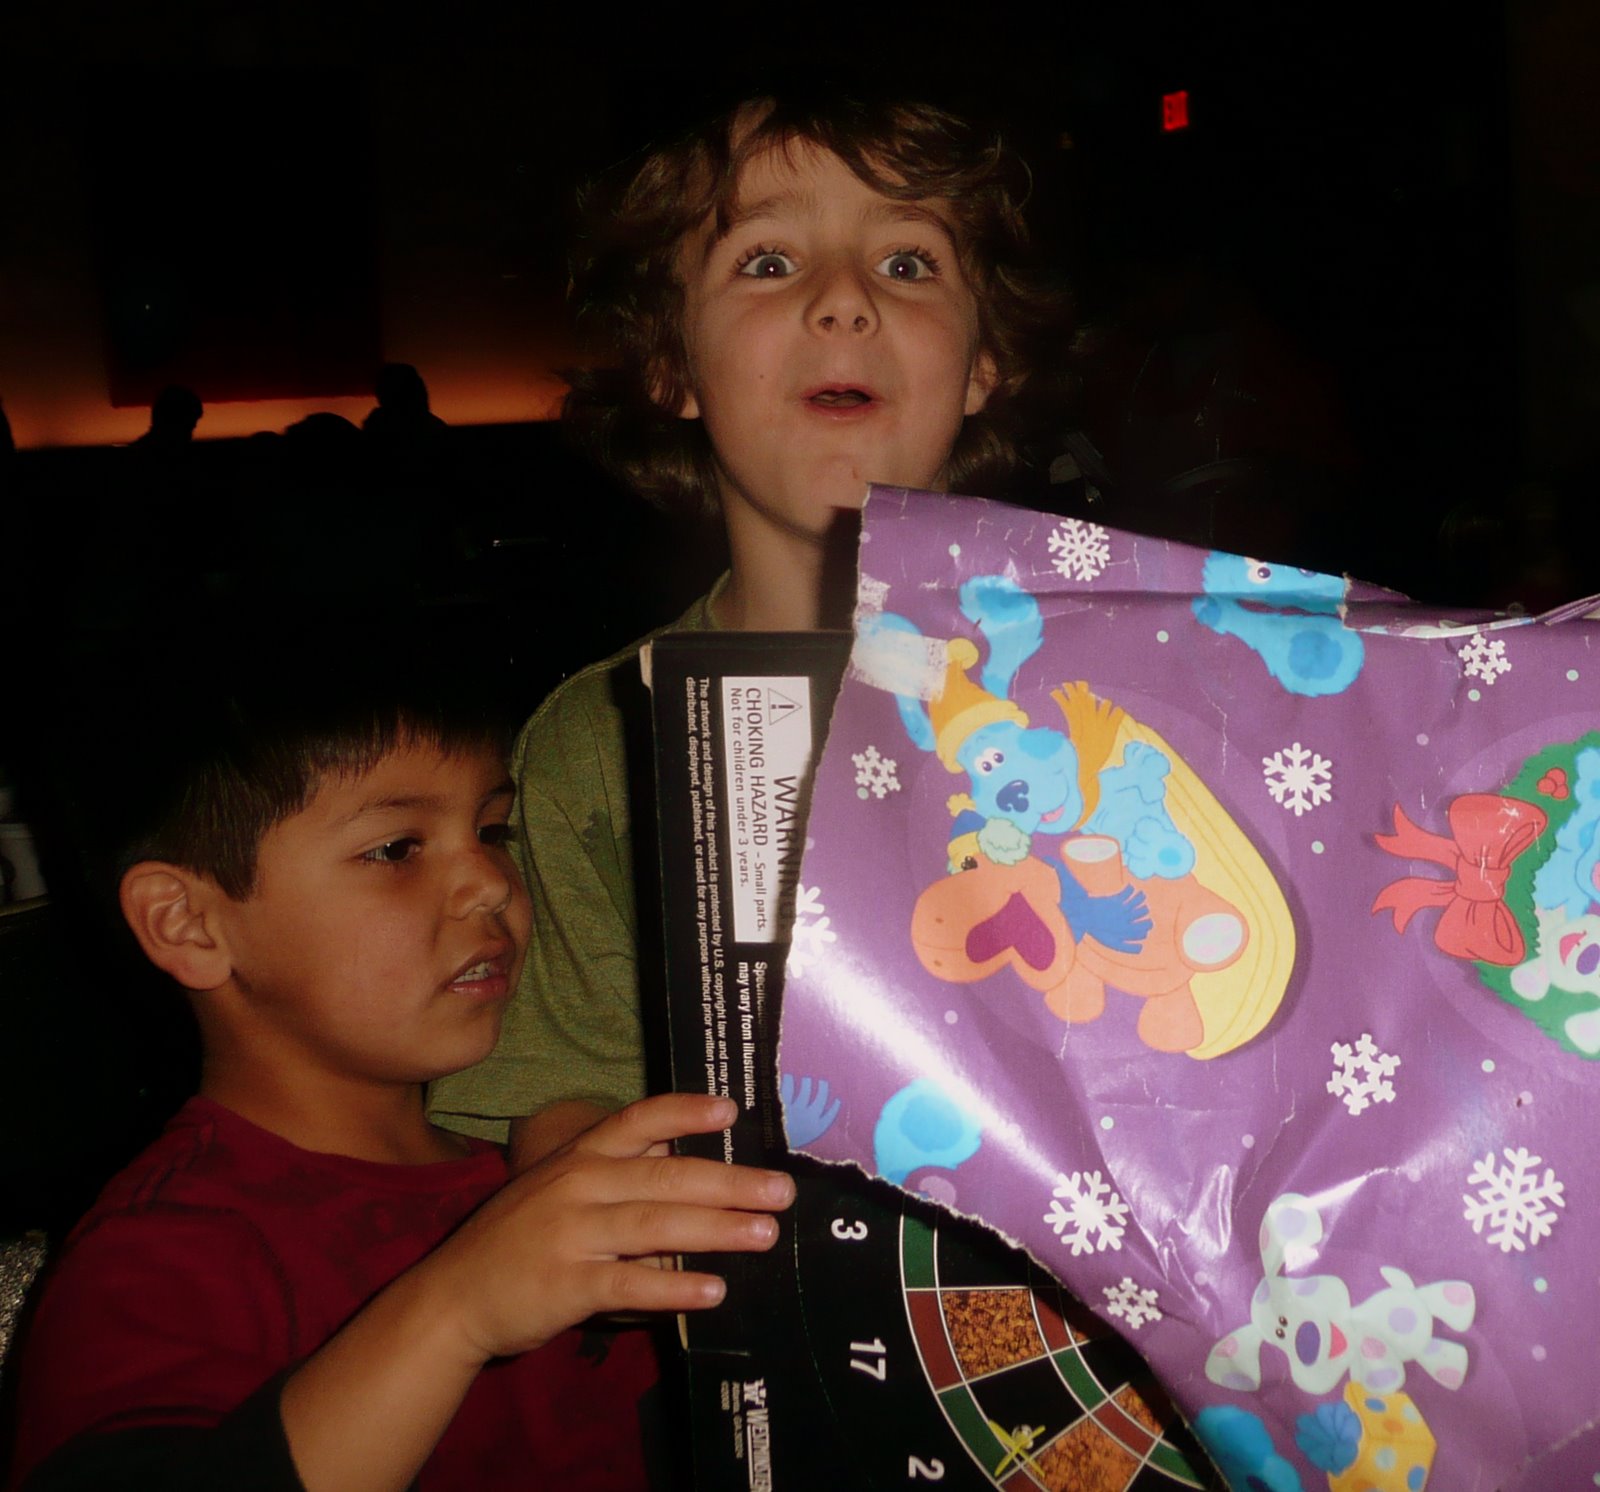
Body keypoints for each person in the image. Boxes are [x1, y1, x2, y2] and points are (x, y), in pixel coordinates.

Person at [426, 92, 1059, 1165]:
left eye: (906, 262)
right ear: (671, 366)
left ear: (983, 363)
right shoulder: (604, 741)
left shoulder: (1122, 689)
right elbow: (569, 1102)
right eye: (768, 262)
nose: (845, 300)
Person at [6, 632, 795, 1492]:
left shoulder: (540, 1165)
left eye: (493, 830)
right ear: (189, 923)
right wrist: (458, 1310)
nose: (490, 882)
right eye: (396, 849)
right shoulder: (164, 1255)